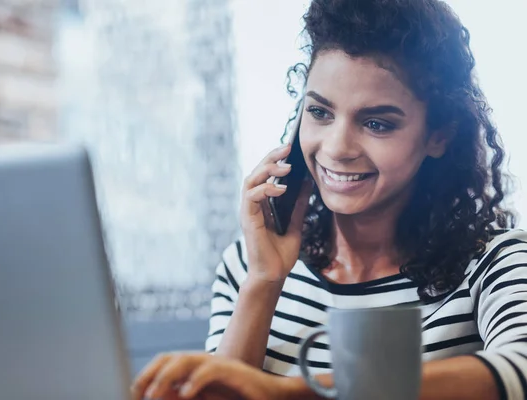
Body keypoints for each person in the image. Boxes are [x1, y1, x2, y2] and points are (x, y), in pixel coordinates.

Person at [133, 0, 527, 399]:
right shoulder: (248, 263)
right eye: (320, 112)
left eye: (376, 123)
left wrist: (286, 393)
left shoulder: (494, 262)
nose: (337, 148)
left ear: (438, 136)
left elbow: (520, 369)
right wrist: (264, 280)